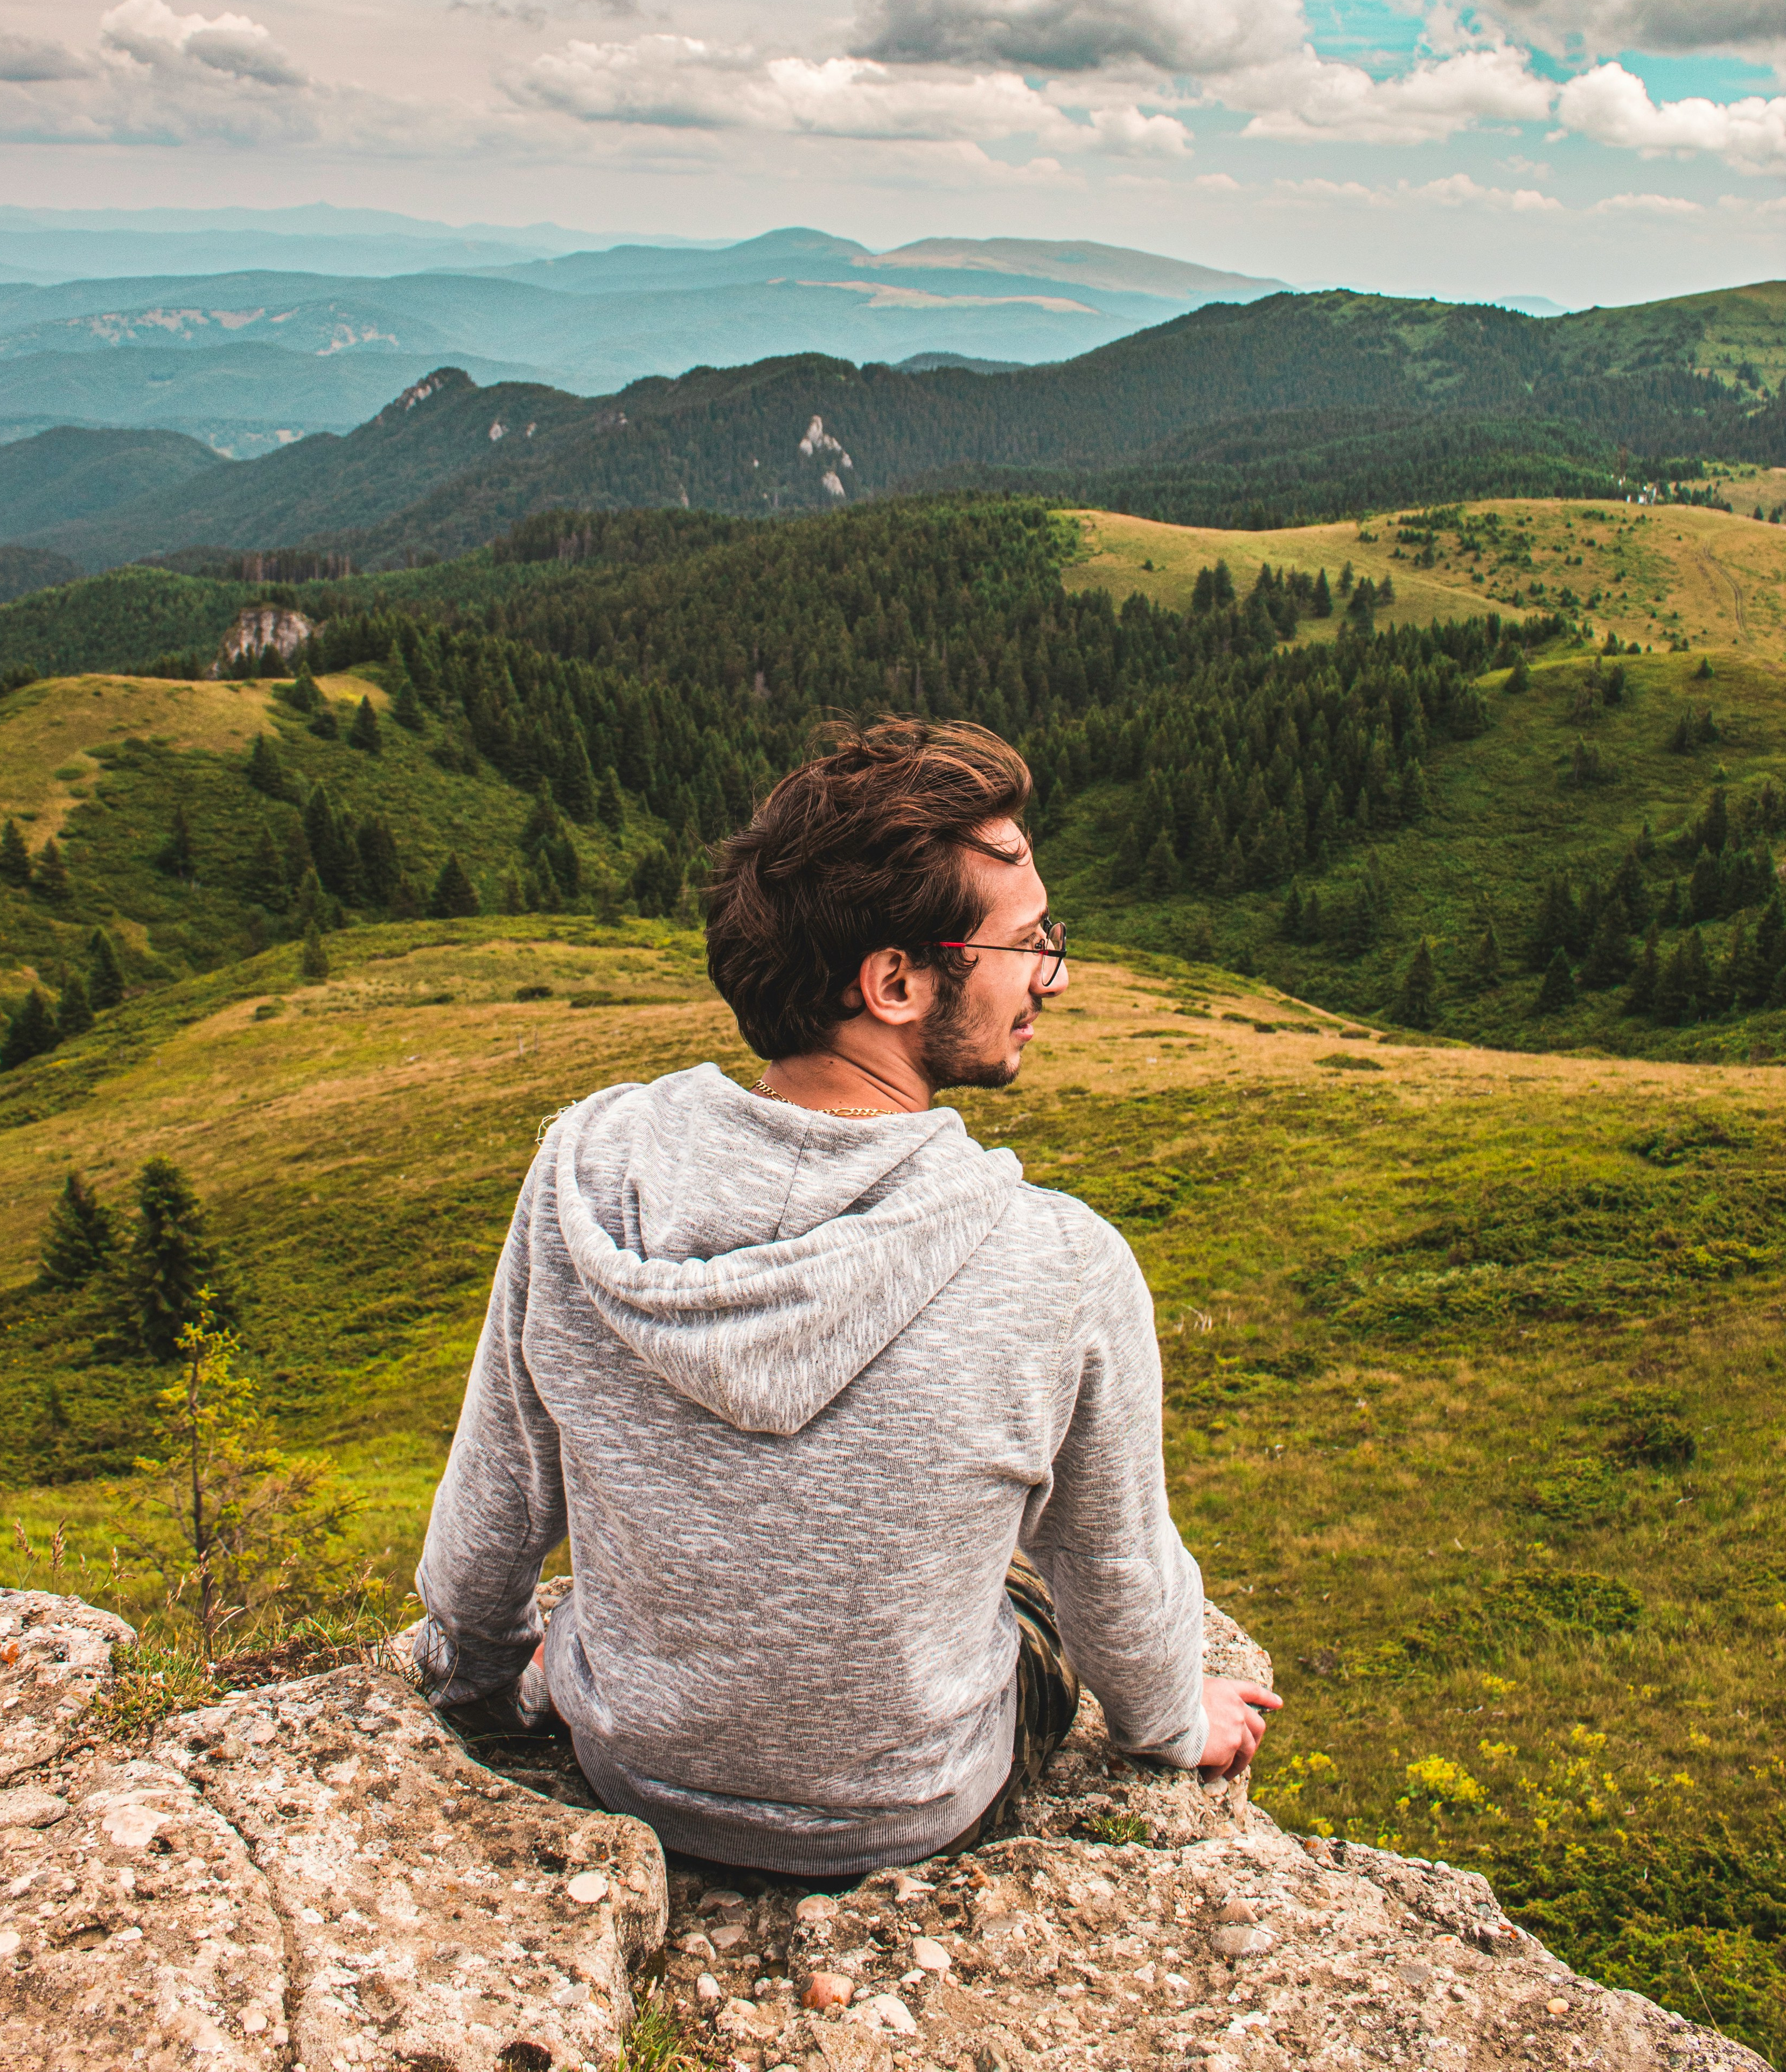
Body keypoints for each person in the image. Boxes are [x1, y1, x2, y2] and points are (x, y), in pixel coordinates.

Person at [413, 717, 1278, 1878]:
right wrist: (1173, 1721)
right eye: (1030, 945)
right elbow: (1112, 1578)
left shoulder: (587, 1172)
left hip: (630, 1775)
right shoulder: (1058, 1261)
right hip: (911, 1815)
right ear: (897, 981)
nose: (1057, 978)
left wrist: (478, 1687)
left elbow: (498, 1505)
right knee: (1018, 1589)